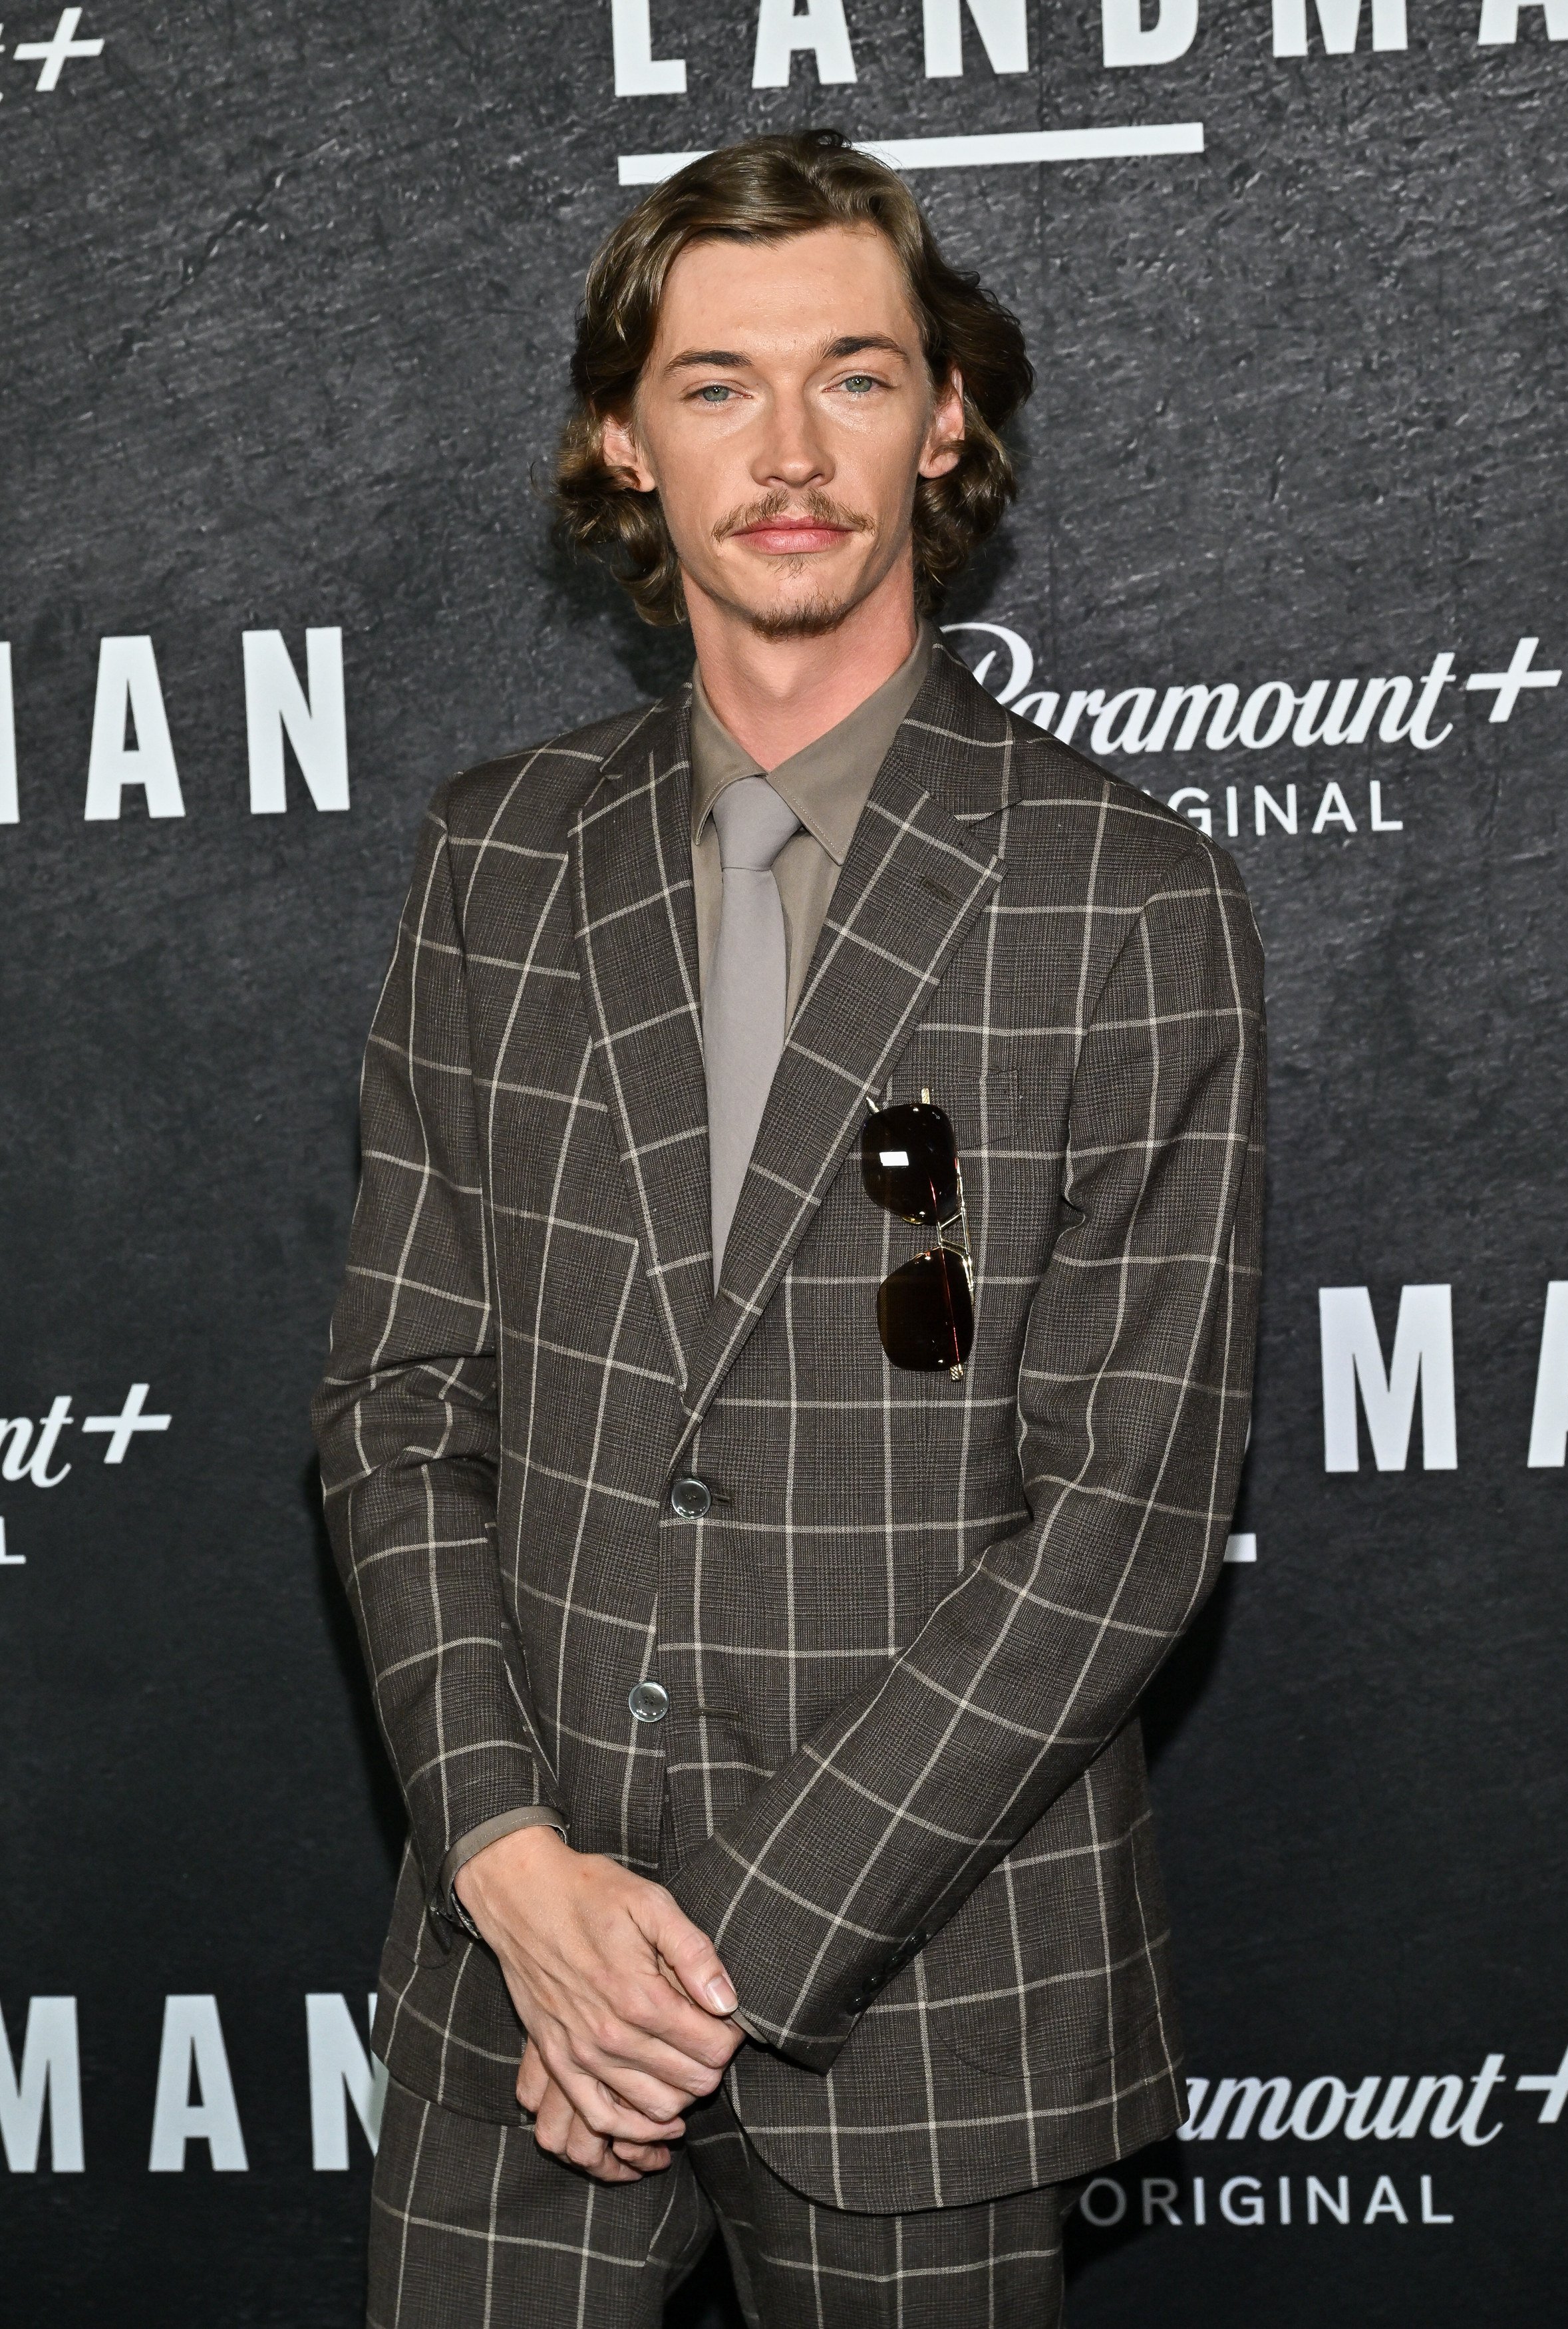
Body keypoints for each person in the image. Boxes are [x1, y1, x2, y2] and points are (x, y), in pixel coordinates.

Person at [313, 128, 1265, 2329]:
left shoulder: (1128, 898)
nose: (790, 450)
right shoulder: (500, 857)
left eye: (853, 374)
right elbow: (396, 1404)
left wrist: (713, 1958)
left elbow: (1128, 1513)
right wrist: (513, 1870)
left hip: (920, 1998)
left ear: (947, 419)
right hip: (513, 1995)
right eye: (717, 384)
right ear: (620, 443)